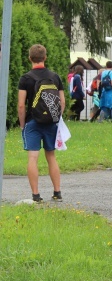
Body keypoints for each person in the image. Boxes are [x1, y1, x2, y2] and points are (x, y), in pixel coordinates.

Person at [17, 44, 65, 202]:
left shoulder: (25, 78)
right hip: (51, 122)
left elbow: (21, 105)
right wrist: (56, 118)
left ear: (30, 58)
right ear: (45, 58)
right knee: (51, 156)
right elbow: (62, 102)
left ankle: (36, 195)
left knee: (32, 158)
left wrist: (23, 123)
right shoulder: (55, 77)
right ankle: (57, 192)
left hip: (32, 122)